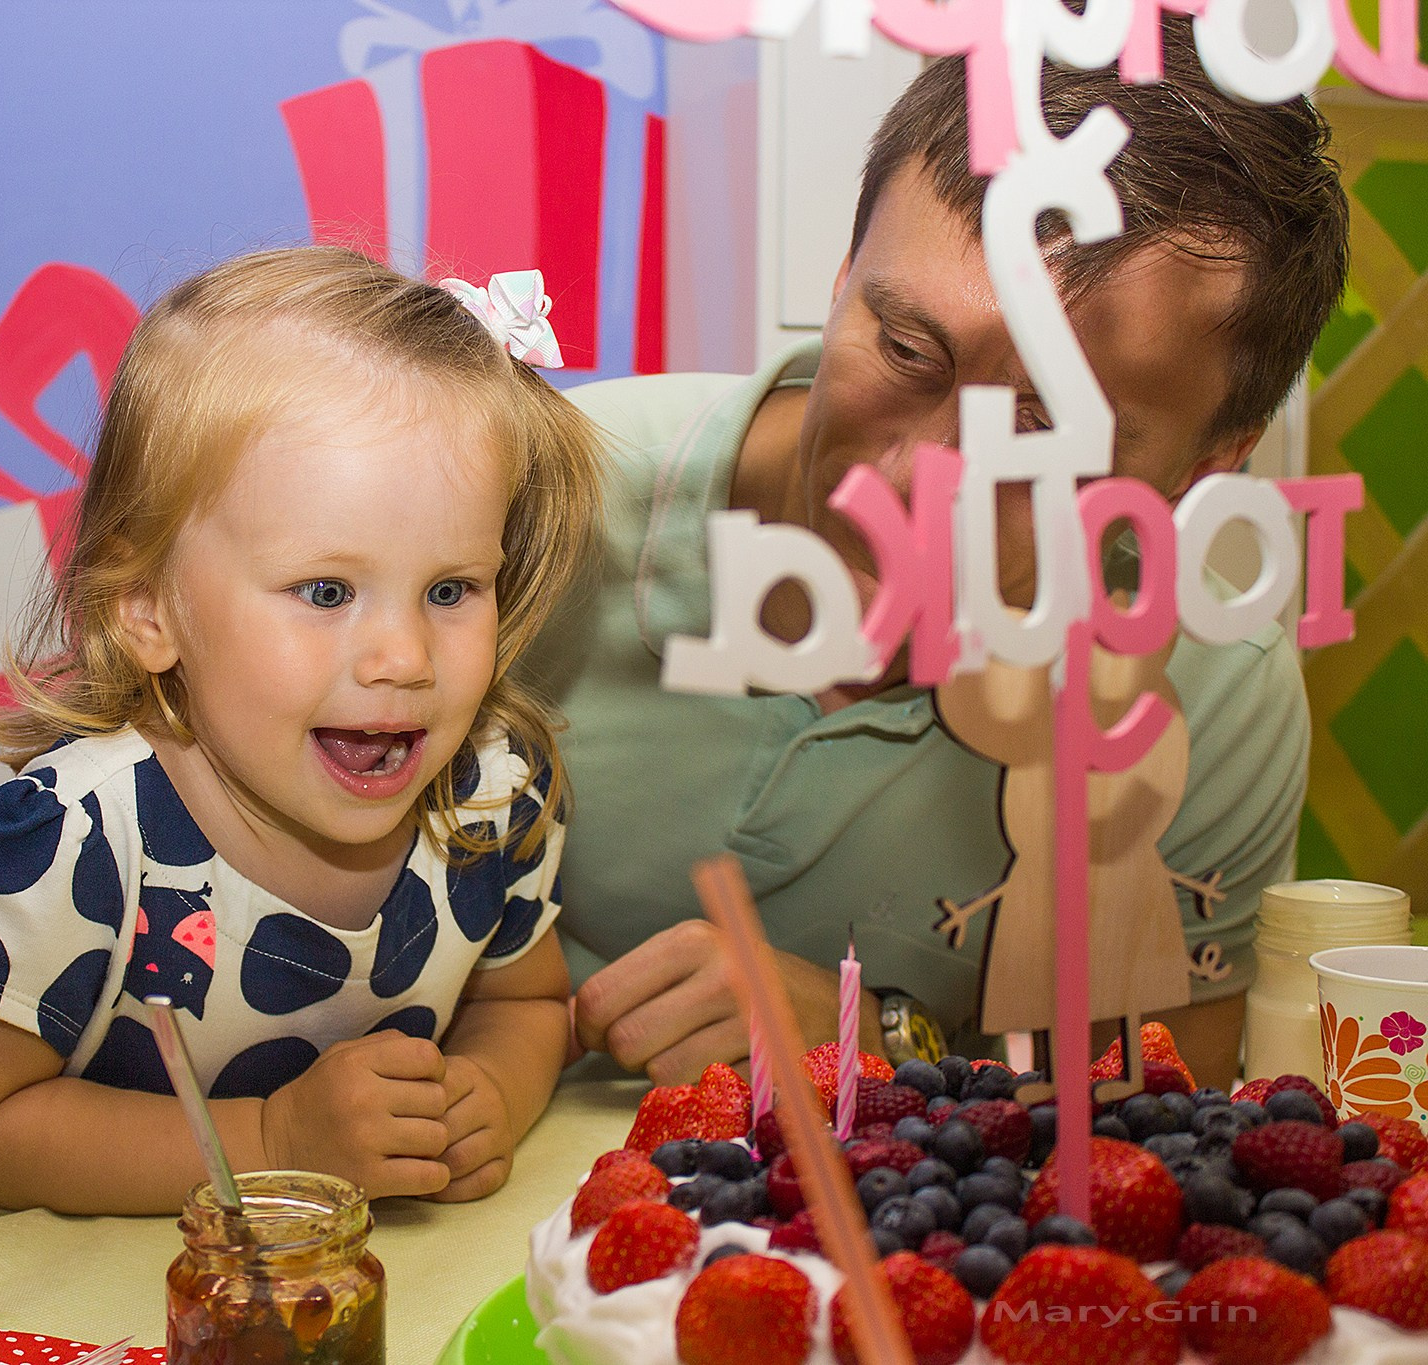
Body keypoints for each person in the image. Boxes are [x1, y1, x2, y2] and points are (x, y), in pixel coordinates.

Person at [528, 22, 1346, 1094]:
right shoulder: (533, 503)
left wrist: (875, 1042)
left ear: (1204, 467)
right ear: (839, 277)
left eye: (1048, 432)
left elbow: (1147, 1125)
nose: (923, 481)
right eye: (906, 349)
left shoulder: (1208, 683)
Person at [0, 247, 602, 1215]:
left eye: (450, 589)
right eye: (324, 591)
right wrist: (275, 1142)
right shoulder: (67, 839)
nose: (401, 656)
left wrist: (490, 1093)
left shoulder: (491, 793)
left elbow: (521, 1002)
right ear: (147, 607)